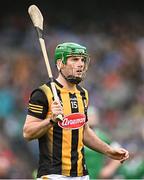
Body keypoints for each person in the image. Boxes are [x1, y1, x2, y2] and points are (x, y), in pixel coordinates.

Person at [23, 42, 129, 180]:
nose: (81, 64)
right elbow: (27, 133)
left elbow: (84, 131)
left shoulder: (82, 93)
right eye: (74, 59)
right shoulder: (43, 93)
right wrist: (50, 121)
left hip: (81, 175)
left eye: (82, 60)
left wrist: (109, 151)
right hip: (53, 174)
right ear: (60, 63)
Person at [85, 106, 122, 179]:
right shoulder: (76, 135)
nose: (92, 118)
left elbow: (120, 151)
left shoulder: (102, 136)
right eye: (90, 115)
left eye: (93, 116)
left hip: (96, 177)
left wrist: (109, 169)